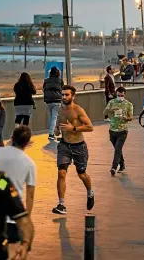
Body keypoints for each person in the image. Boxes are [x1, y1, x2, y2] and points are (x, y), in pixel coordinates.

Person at [0, 126, 36, 258]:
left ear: (12, 137)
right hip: (12, 215)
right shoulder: (29, 163)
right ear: (27, 143)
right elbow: (30, 195)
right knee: (13, 251)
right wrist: (26, 219)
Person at [52, 85, 95, 214]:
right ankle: (61, 204)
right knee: (61, 173)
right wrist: (56, 130)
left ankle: (90, 192)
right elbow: (58, 126)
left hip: (79, 146)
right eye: (63, 94)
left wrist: (74, 129)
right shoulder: (60, 110)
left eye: (67, 95)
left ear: (73, 96)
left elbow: (90, 127)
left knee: (81, 174)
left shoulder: (78, 110)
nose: (64, 97)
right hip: (64, 145)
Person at [103, 86, 133, 176]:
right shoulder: (111, 102)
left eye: (122, 95)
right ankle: (122, 164)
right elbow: (104, 112)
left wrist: (126, 118)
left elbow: (131, 117)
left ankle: (114, 167)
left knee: (117, 149)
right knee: (117, 149)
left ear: (124, 95)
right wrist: (111, 110)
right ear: (116, 94)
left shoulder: (128, 104)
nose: (120, 97)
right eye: (119, 95)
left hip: (122, 130)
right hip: (112, 129)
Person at [44, 66, 64, 141]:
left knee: (51, 117)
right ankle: (51, 134)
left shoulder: (46, 81)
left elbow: (44, 89)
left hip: (48, 101)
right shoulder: (60, 81)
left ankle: (51, 131)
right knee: (54, 117)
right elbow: (62, 89)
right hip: (57, 101)